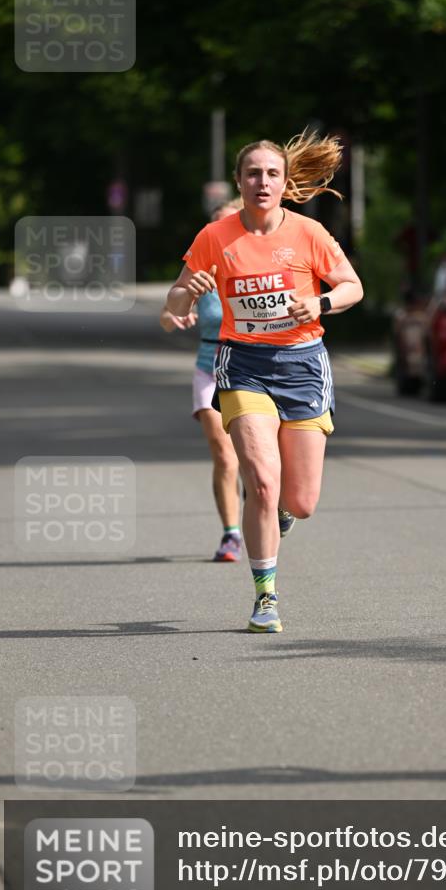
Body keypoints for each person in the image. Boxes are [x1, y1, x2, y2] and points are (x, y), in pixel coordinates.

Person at [165, 130, 363, 632]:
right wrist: (188, 291)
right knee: (260, 478)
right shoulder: (216, 237)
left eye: (272, 173)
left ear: (284, 182)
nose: (262, 181)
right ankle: (266, 597)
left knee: (300, 501)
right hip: (243, 365)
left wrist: (319, 303)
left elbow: (351, 286)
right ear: (239, 181)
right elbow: (174, 302)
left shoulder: (308, 234)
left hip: (303, 366)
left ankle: (279, 514)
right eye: (253, 173)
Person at [159, 200, 244, 562]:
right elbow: (168, 312)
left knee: (259, 458)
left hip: (252, 369)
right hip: (210, 367)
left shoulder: (259, 268)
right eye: (214, 228)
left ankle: (270, 506)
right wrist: (174, 318)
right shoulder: (201, 271)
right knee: (225, 456)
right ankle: (231, 534)